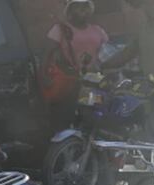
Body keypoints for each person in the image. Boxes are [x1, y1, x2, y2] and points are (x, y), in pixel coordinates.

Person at [103, 0, 154, 136]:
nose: (151, 7)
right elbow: (126, 54)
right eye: (147, 3)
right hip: (147, 88)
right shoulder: (142, 30)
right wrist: (102, 66)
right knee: (120, 109)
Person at [43, 0, 109, 130]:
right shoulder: (60, 29)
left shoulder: (98, 30)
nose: (83, 10)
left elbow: (107, 54)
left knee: (95, 112)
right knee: (71, 116)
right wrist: (44, 75)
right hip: (70, 80)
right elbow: (46, 54)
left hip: (94, 80)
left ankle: (92, 136)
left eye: (86, 7)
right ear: (70, 11)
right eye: (79, 7)